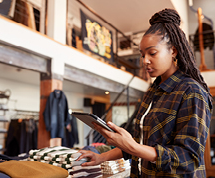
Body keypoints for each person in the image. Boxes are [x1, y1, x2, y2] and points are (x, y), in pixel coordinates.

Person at [77, 8, 213, 178]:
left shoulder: (191, 92)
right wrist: (101, 157)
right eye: (142, 55)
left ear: (174, 51)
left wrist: (132, 146)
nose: (145, 61)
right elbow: (141, 144)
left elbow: (189, 159)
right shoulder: (152, 92)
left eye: (152, 53)